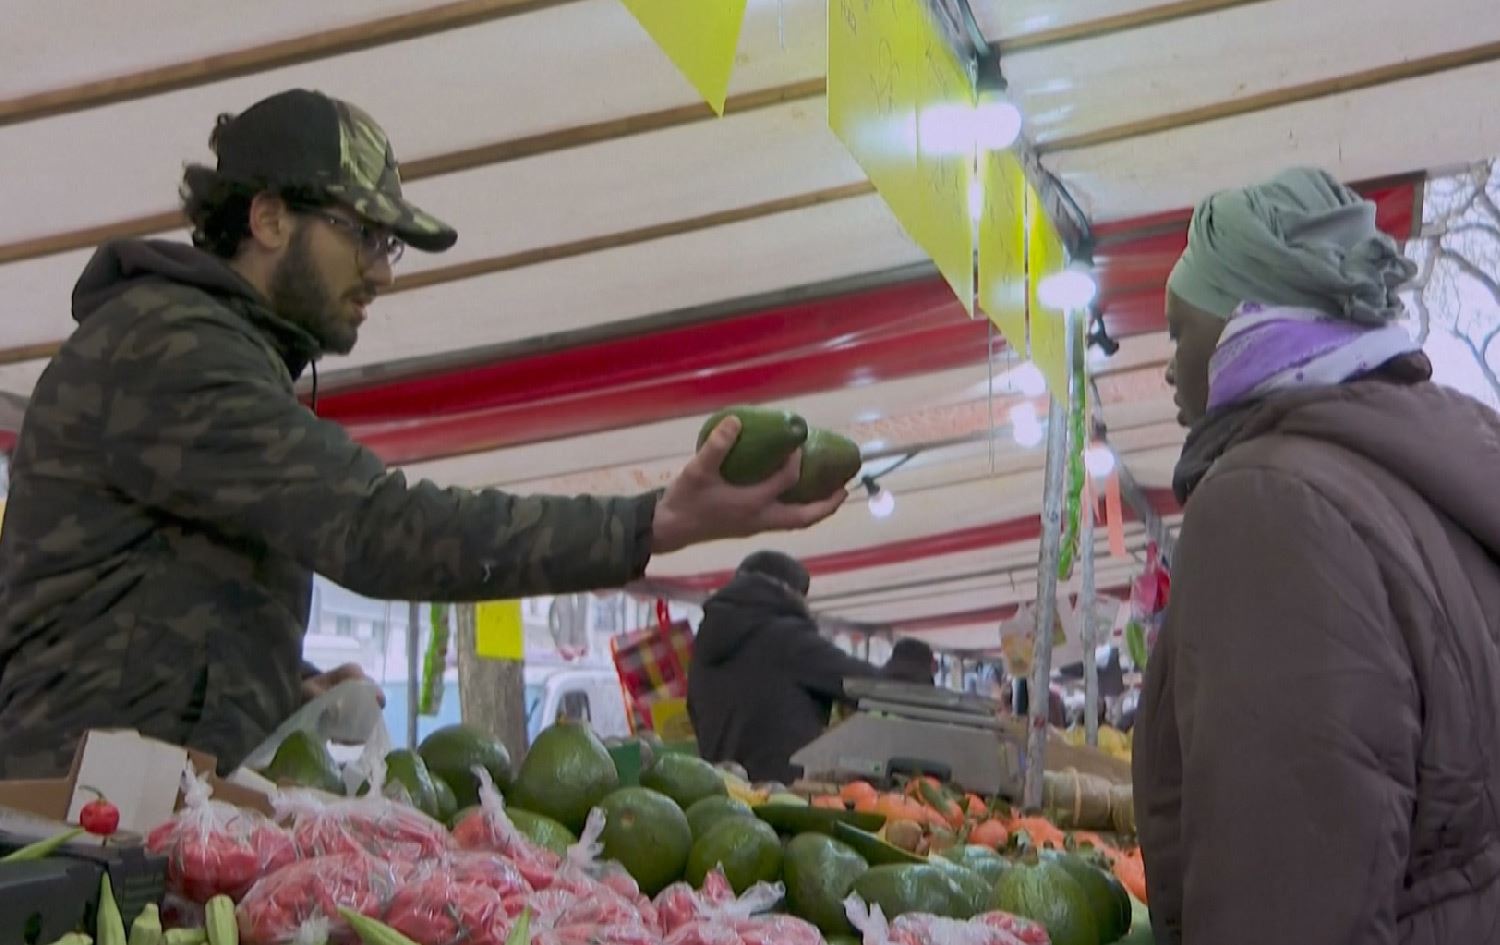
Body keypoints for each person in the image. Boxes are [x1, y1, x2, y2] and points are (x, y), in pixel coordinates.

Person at [0, 89, 845, 778]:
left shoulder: (206, 350)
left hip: (118, 791)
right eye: (363, 234)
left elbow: (138, 601)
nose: (378, 271)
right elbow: (379, 525)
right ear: (267, 219)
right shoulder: (174, 348)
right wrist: (648, 523)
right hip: (76, 809)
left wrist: (281, 682)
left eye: (388, 246)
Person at [1134, 166, 1500, 943]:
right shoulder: (1432, 477)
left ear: (1248, 318)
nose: (1169, 366)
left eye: (1177, 328)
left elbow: (1284, 900)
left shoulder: (1269, 507)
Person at [687, 550, 874, 783]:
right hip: (782, 799)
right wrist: (911, 665)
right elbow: (869, 684)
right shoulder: (787, 639)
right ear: (791, 593)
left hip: (721, 799)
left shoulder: (704, 646)